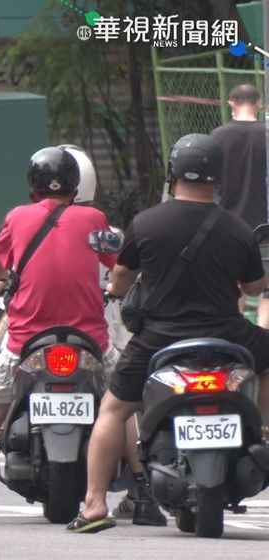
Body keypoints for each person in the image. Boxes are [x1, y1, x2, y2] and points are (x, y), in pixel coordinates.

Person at [70, 133, 269, 533]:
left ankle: (93, 505)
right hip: (228, 335)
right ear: (218, 176)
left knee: (112, 411)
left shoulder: (146, 223)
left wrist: (117, 290)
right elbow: (253, 288)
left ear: (173, 171)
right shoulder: (237, 229)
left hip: (160, 340)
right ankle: (261, 428)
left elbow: (123, 276)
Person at [0, 147, 159, 523]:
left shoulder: (17, 217)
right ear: (75, 187)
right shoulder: (95, 218)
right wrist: (114, 290)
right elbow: (118, 267)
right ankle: (142, 495)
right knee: (120, 406)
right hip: (90, 339)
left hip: (25, 340)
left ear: (33, 186)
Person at [210, 84, 269, 329]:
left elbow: (213, 185)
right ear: (259, 105)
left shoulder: (218, 136)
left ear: (231, 103)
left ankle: (235, 336)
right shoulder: (266, 133)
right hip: (266, 226)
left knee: (233, 285)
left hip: (230, 225)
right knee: (267, 288)